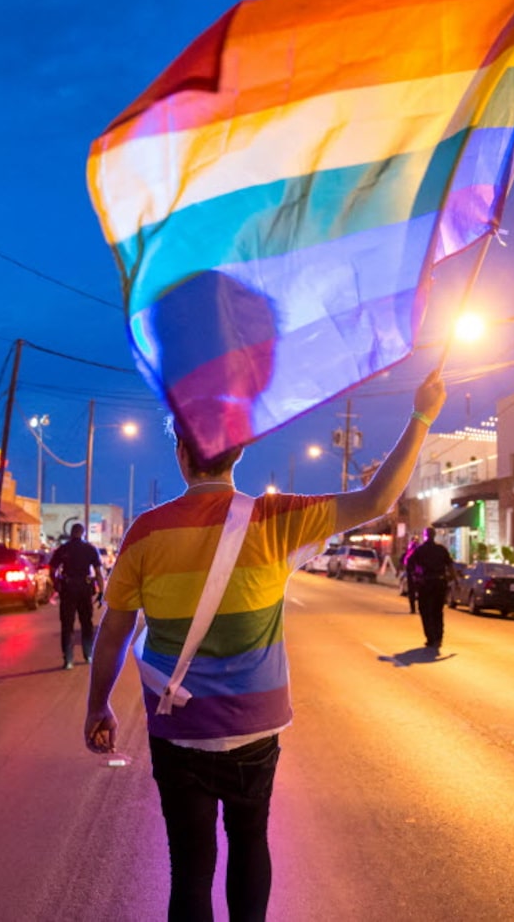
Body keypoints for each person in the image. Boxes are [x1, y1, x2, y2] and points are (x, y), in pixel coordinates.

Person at [85, 369, 446, 921]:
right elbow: (378, 498)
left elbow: (114, 630)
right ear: (238, 454)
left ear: (181, 453)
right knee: (250, 841)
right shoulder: (275, 520)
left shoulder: (145, 533)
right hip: (255, 727)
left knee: (190, 867)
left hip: (179, 730)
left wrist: (97, 704)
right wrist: (422, 414)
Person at [49, 524, 105, 670]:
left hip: (68, 589)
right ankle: (88, 655)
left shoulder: (63, 549)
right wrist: (101, 592)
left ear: (71, 533)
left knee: (67, 624)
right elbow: (98, 573)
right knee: (86, 622)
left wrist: (57, 584)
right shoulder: (90, 549)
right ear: (83, 533)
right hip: (85, 589)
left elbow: (53, 569)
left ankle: (68, 659)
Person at [406, 526, 456, 651]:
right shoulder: (441, 550)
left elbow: (408, 562)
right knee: (437, 611)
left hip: (426, 583)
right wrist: (453, 579)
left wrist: (415, 576)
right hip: (439, 583)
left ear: (426, 535)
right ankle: (438, 637)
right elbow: (450, 566)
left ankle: (431, 637)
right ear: (434, 535)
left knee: (425, 611)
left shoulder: (420, 550)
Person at [398, 538, 419, 614]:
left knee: (413, 592)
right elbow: (402, 562)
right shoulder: (408, 554)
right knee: (414, 592)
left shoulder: (409, 554)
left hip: (414, 575)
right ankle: (415, 608)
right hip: (415, 575)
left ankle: (414, 609)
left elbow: (402, 563)